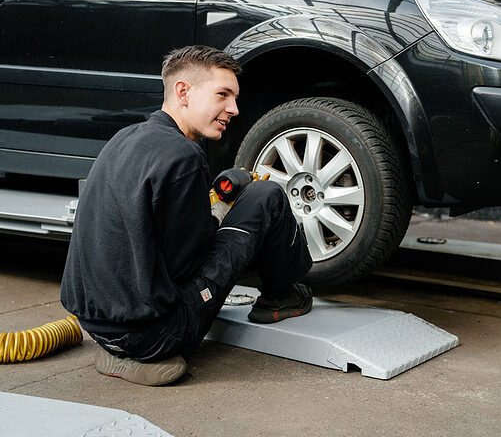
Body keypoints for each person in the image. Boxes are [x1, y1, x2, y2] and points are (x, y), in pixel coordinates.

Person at [61, 45, 313, 386]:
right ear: (183, 92)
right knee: (266, 195)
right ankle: (282, 297)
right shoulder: (184, 155)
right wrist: (227, 218)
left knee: (249, 198)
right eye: (223, 95)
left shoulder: (125, 138)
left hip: (97, 327)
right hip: (157, 336)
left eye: (235, 98)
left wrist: (215, 202)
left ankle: (115, 351)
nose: (234, 109)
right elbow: (187, 267)